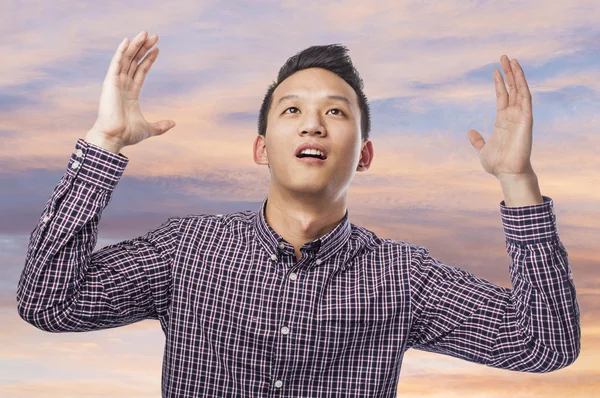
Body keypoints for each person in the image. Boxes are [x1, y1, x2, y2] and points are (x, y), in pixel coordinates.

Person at [17, 30, 580, 397]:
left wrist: (516, 180)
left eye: (336, 112)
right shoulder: (186, 250)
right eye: (292, 110)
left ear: (364, 156)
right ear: (262, 147)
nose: (313, 124)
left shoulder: (403, 278)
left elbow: (544, 343)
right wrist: (104, 144)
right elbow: (49, 305)